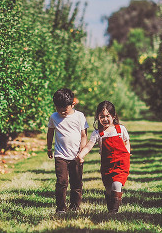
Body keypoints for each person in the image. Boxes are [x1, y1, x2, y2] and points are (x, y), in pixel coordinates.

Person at [77, 100, 130, 213]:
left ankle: (114, 212)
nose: (105, 119)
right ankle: (110, 207)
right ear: (97, 117)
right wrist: (81, 155)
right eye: (102, 116)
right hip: (107, 165)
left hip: (121, 164)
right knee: (109, 189)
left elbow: (126, 142)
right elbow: (89, 146)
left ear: (113, 116)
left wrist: (127, 153)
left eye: (108, 116)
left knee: (117, 184)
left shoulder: (120, 129)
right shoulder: (98, 133)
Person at [46, 87, 87, 215]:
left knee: (76, 182)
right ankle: (61, 208)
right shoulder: (54, 117)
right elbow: (50, 133)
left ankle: (75, 206)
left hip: (76, 155)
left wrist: (82, 152)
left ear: (72, 104)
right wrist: (48, 147)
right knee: (61, 181)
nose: (62, 112)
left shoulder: (79, 116)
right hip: (60, 155)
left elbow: (84, 135)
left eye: (65, 109)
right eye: (59, 109)